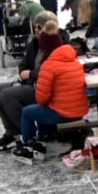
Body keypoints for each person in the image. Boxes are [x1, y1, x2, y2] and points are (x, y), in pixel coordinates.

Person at [13, 20, 88, 163]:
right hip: (80, 110)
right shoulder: (74, 60)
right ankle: (44, 137)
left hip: (63, 113)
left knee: (28, 112)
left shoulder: (49, 65)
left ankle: (28, 145)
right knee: (44, 108)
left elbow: (41, 98)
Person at [0, 11, 64, 150]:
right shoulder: (35, 43)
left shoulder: (56, 43)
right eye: (35, 27)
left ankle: (28, 134)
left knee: (7, 95)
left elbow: (51, 72)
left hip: (44, 88)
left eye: (39, 27)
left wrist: (30, 75)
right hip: (32, 83)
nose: (36, 30)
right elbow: (23, 64)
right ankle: (12, 132)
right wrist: (25, 74)